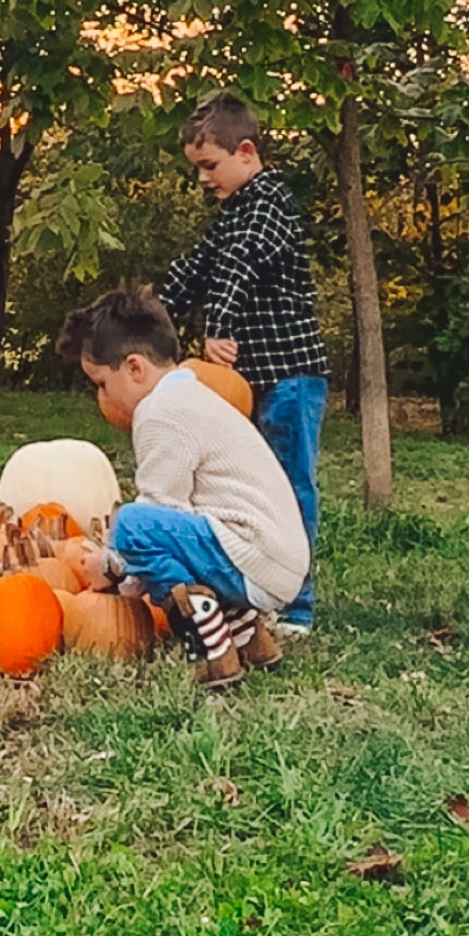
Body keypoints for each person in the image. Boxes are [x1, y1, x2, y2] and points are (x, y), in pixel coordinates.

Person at [56, 287, 310, 688]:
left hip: (254, 557)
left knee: (132, 525)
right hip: (273, 558)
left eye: (102, 383)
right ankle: (248, 635)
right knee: (159, 532)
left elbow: (160, 516)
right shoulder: (188, 394)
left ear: (135, 368)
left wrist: (109, 568)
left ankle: (212, 646)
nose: (101, 397)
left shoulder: (159, 413)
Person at [159, 91, 327, 636]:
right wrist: (148, 319)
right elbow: (199, 267)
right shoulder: (232, 213)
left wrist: (220, 327)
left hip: (290, 380)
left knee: (290, 485)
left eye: (210, 166)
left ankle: (296, 604)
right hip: (251, 384)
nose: (204, 179)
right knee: (249, 491)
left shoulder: (270, 202)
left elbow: (240, 265)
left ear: (246, 152)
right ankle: (258, 589)